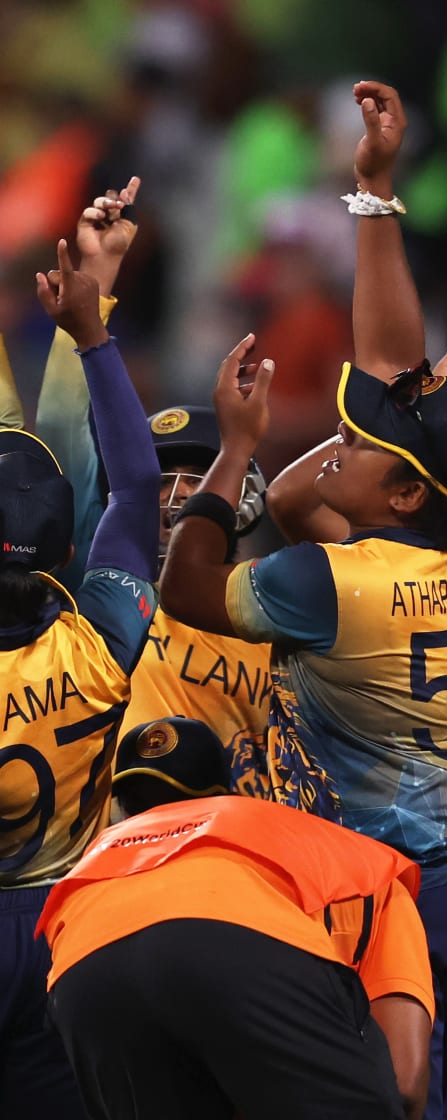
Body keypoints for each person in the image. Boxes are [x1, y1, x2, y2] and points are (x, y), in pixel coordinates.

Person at [159, 81, 447, 1120]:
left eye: (360, 441)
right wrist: (374, 189)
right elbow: (372, 414)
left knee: (362, 1099)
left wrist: (240, 449)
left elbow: (191, 583)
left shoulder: (329, 582)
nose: (337, 443)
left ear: (400, 491)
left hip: (351, 886)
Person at [37, 716, 435, 1120]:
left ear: (120, 809)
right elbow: (403, 1086)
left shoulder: (95, 859)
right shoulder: (350, 858)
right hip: (235, 947)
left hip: (82, 969)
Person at [33, 181, 273, 799]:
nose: (176, 499)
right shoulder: (106, 595)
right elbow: (64, 430)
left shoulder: (283, 610)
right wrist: (99, 279)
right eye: (163, 479)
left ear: (241, 494)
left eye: (198, 479)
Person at [0, 240, 158, 1117]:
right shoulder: (101, 639)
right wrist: (93, 339)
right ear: (66, 552)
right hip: (79, 924)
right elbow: (136, 490)